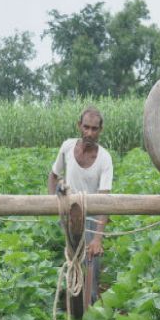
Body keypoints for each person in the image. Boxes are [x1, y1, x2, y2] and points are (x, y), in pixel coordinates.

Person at [48, 106, 113, 305]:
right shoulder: (67, 147)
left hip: (92, 219)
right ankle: (68, 318)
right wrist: (53, 203)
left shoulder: (104, 159)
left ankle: (87, 319)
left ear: (100, 130)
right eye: (86, 127)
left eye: (94, 129)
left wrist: (97, 239)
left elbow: (104, 200)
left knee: (90, 276)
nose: (90, 133)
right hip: (68, 216)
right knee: (70, 266)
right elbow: (53, 175)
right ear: (79, 126)